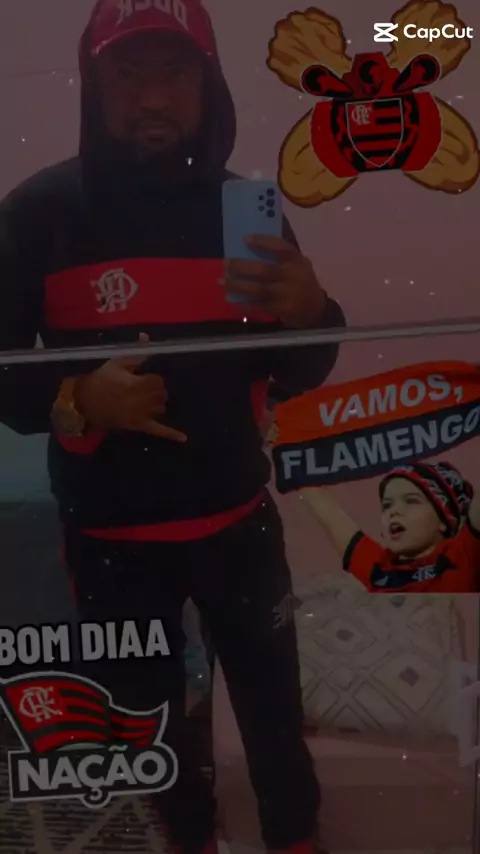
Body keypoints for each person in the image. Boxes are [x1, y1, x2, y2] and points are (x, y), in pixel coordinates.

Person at [0, 1, 345, 852]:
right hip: (111, 547)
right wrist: (80, 397)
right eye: (129, 73)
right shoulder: (39, 212)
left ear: (208, 83)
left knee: (273, 713)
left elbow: (299, 371)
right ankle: (188, 838)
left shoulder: (246, 209)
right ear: (94, 85)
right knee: (148, 726)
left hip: (240, 526)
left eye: (175, 71)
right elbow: (3, 381)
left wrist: (314, 312)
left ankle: (294, 838)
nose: (153, 97)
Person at [300, 461, 480, 592]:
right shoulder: (378, 567)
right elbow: (328, 512)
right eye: (387, 505)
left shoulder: (463, 555)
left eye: (411, 501)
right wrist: (290, 445)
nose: (394, 511)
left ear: (444, 521)